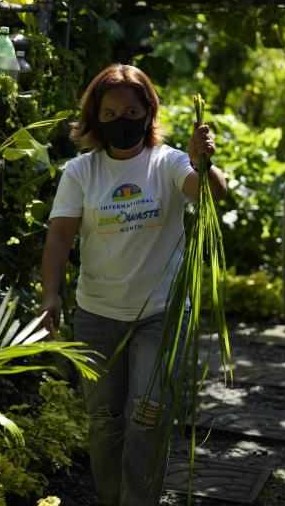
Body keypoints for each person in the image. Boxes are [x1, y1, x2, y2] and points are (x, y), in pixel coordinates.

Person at [39, 64, 226, 506]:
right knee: (104, 421)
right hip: (98, 316)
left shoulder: (168, 163)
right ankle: (111, 498)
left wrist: (205, 161)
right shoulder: (82, 172)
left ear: (148, 111)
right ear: (94, 118)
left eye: (130, 110)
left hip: (159, 316)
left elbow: (210, 192)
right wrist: (51, 293)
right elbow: (60, 236)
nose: (120, 121)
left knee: (147, 417)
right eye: (108, 114)